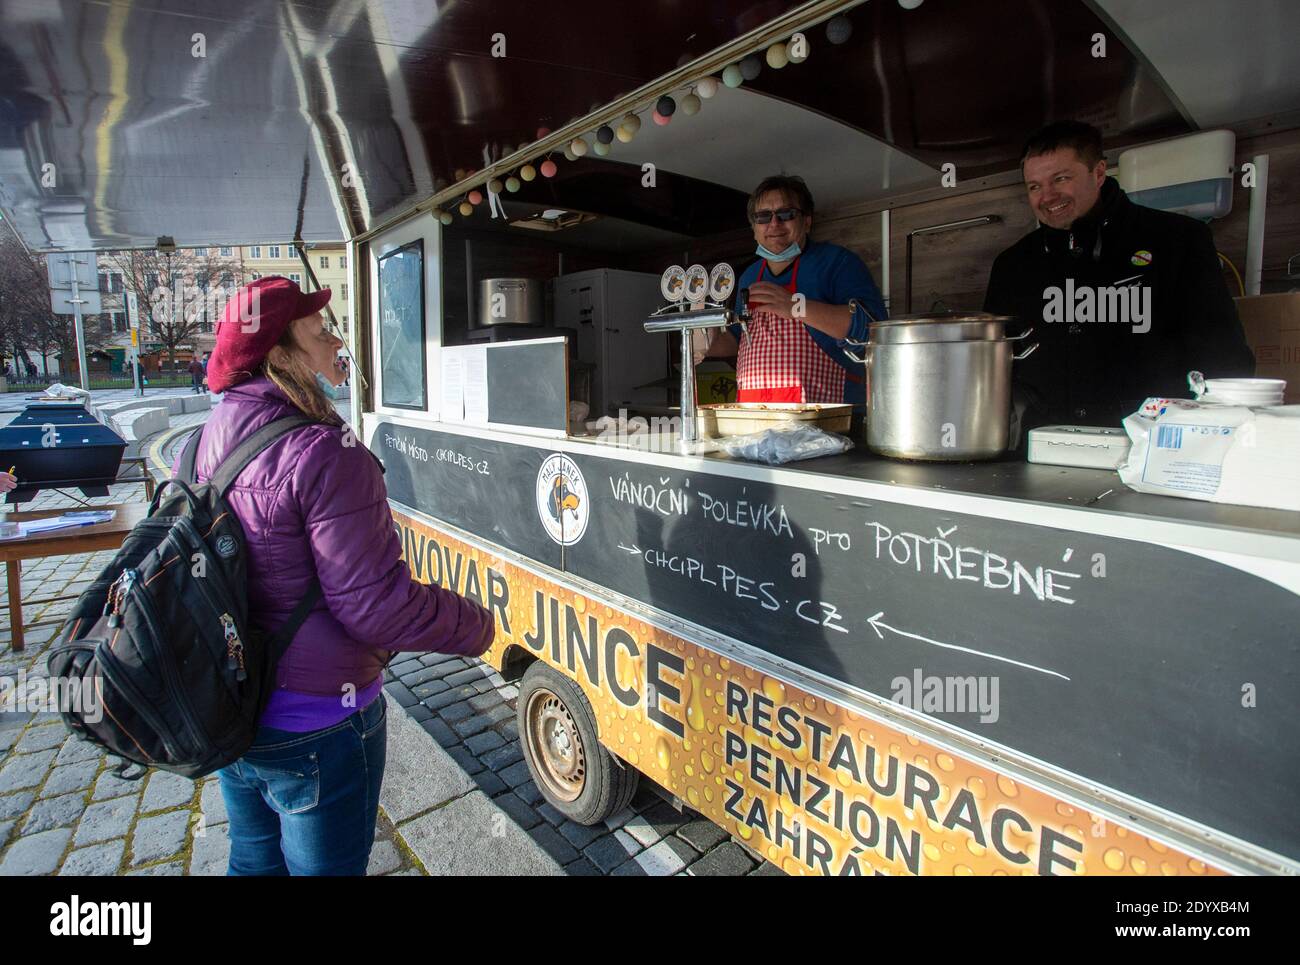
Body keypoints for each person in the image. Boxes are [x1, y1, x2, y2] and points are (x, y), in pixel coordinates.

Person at [188, 276, 494, 875]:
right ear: (279, 355)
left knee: (251, 860)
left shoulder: (204, 440)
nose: (337, 344)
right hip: (316, 726)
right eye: (321, 332)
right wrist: (478, 625)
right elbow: (375, 606)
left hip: (231, 707)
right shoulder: (329, 452)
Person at [984, 120, 1254, 431]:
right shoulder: (1012, 264)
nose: (1047, 196)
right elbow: (992, 368)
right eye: (1034, 186)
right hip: (1039, 447)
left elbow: (1222, 353)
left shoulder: (1177, 240)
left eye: (1061, 179)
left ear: (1098, 173)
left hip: (1148, 446)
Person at [706, 174, 886, 407]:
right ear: (753, 227)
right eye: (763, 217)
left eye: (786, 214)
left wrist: (796, 307)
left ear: (807, 221)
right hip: (756, 415)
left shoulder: (838, 262)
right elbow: (740, 339)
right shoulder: (749, 276)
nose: (774, 224)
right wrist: (703, 343)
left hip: (829, 421)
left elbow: (873, 331)